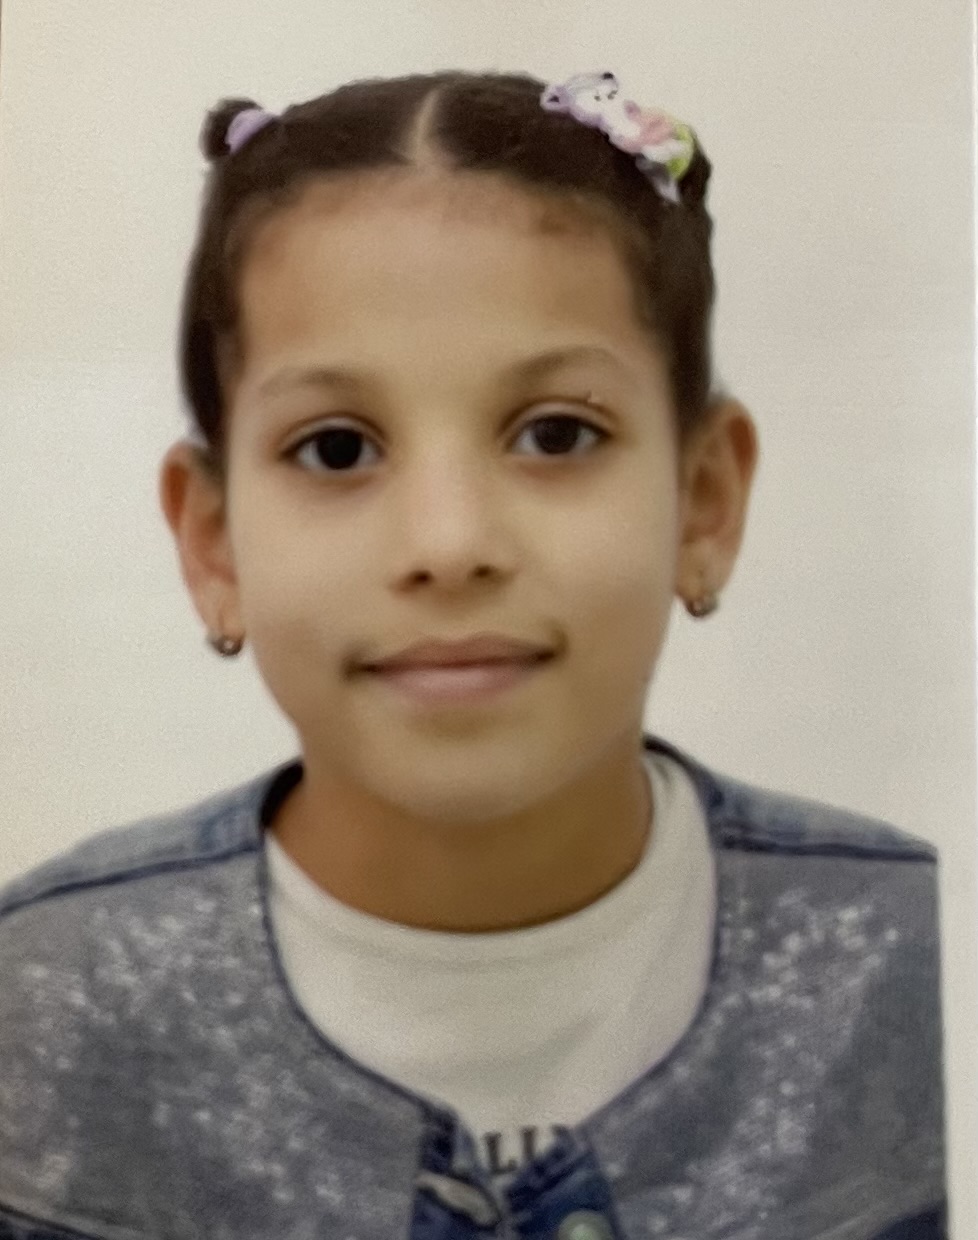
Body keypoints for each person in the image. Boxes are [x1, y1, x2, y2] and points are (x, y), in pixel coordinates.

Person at [0, 69, 946, 1240]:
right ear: (213, 539)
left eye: (556, 433)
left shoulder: (918, 967)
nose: (448, 546)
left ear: (703, 500)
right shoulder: (43, 1006)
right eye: (337, 448)